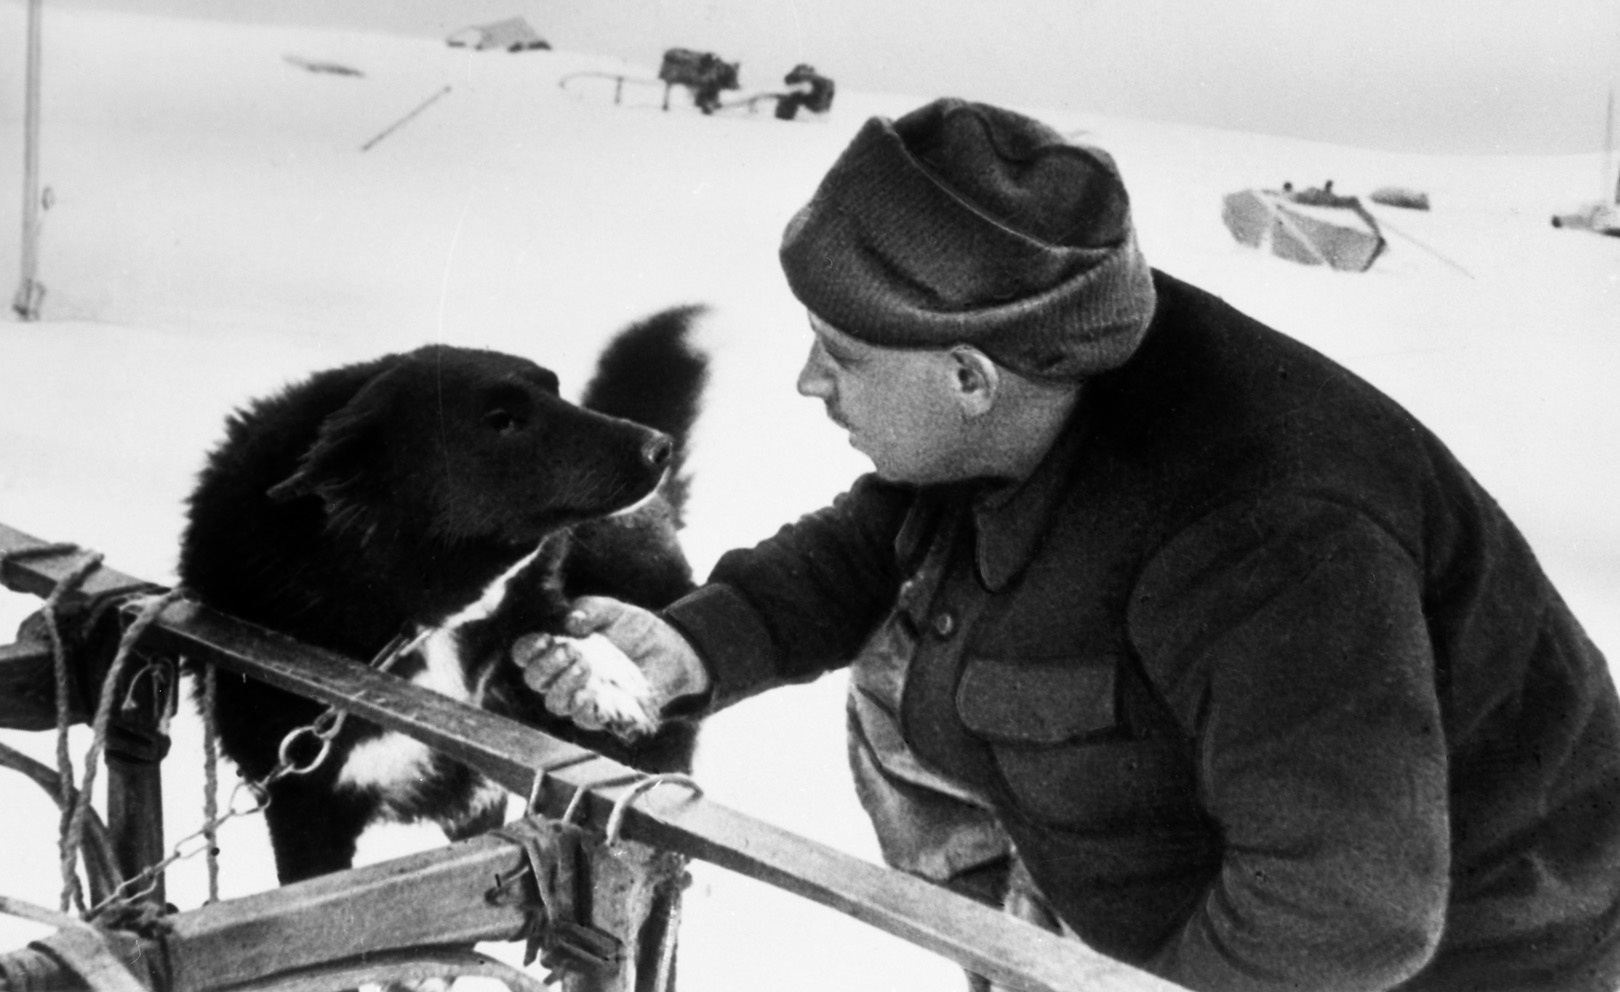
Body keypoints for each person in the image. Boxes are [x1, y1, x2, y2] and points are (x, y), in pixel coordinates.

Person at [514, 98, 1620, 992]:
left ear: (967, 378)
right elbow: (877, 537)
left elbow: (1349, 912)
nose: (809, 383)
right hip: (1226, 842)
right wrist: (696, 644)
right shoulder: (1044, 345)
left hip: (1469, 954)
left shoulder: (1273, 538)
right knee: (909, 657)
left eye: (839, 356)